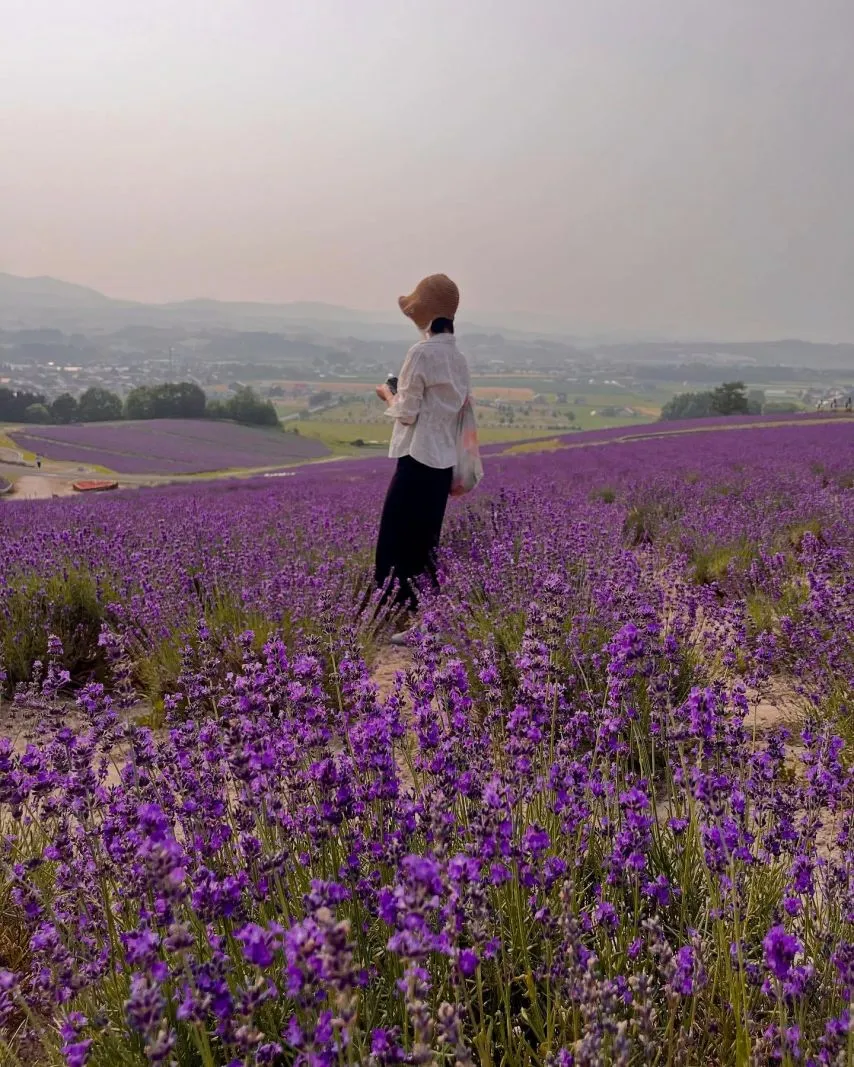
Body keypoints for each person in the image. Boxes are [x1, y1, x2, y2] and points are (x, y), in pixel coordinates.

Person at [374, 273, 471, 644]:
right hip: (443, 462)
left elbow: (408, 412)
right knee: (426, 541)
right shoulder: (458, 358)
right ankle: (427, 620)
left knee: (395, 539)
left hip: (417, 458)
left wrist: (387, 395)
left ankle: (401, 618)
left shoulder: (421, 354)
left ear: (423, 313)